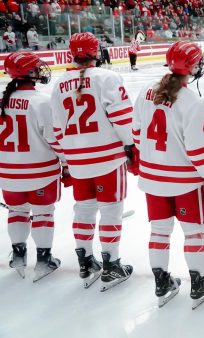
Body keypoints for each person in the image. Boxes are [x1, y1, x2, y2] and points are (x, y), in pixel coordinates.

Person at [133, 41, 204, 308]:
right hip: (185, 181)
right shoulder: (193, 101)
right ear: (194, 67)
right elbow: (198, 149)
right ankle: (198, 284)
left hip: (152, 178)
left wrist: (153, 159)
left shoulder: (146, 90)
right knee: (194, 233)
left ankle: (161, 283)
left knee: (159, 232)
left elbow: (136, 133)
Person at [50, 32, 137, 291]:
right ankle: (111, 266)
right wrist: (131, 146)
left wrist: (66, 159)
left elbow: (57, 129)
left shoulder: (59, 84)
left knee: (84, 209)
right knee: (111, 210)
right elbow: (122, 118)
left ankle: (86, 262)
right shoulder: (106, 77)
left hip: (77, 161)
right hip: (108, 158)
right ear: (96, 52)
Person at [1, 52, 64, 281]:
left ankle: (18, 255)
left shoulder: (2, 101)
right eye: (36, 68)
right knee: (43, 213)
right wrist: (66, 164)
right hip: (41, 172)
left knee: (17, 212)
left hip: (8, 173)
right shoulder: (41, 101)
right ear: (29, 73)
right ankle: (44, 260)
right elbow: (54, 138)